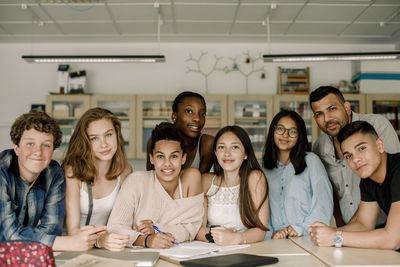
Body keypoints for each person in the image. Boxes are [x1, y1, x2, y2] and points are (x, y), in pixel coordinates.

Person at [0, 110, 104, 251]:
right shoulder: (2, 171)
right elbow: (8, 235)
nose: (38, 151)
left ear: (53, 150)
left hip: (24, 257)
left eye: (46, 145)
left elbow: (51, 229)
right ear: (16, 148)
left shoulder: (54, 174)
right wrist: (69, 243)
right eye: (30, 144)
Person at [310, 86, 400, 226]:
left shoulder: (377, 126)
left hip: (387, 224)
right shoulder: (319, 147)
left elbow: (390, 176)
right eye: (319, 114)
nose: (327, 118)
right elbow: (329, 189)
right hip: (354, 228)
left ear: (346, 107)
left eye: (332, 108)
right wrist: (341, 226)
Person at [107, 122, 203, 248]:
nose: (167, 164)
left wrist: (157, 229)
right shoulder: (136, 182)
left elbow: (192, 228)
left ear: (183, 158)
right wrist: (147, 240)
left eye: (174, 156)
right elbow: (115, 228)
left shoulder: (191, 179)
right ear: (152, 158)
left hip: (179, 254)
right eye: (160, 156)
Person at [309, 121, 400, 250]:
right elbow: (363, 224)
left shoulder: (398, 169)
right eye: (348, 156)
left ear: (379, 145)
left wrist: (335, 236)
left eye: (362, 148)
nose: (355, 159)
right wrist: (327, 232)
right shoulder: (368, 178)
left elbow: (393, 239)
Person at [63, 107, 133, 251]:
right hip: (74, 248)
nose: (104, 144)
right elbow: (73, 230)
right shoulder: (72, 172)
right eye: (94, 138)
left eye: (108, 135)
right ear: (84, 142)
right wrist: (100, 240)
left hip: (108, 246)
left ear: (117, 135)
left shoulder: (125, 170)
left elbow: (125, 220)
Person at [262, 110, 333, 239]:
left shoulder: (311, 161)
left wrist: (300, 229)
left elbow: (323, 204)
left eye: (292, 131)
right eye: (280, 129)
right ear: (273, 131)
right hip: (273, 241)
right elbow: (258, 210)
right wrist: (270, 233)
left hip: (307, 238)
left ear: (300, 136)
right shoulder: (262, 168)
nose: (285, 135)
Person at [196, 125, 269, 245]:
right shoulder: (206, 181)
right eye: (221, 147)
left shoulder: (255, 178)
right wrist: (218, 237)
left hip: (247, 248)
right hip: (211, 249)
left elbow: (261, 230)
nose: (227, 153)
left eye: (234, 147)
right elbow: (198, 229)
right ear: (215, 152)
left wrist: (235, 238)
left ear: (245, 154)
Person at [146, 91, 214, 174]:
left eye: (202, 114)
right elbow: (151, 179)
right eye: (189, 111)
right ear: (174, 116)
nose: (197, 119)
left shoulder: (207, 144)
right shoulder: (157, 141)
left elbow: (200, 184)